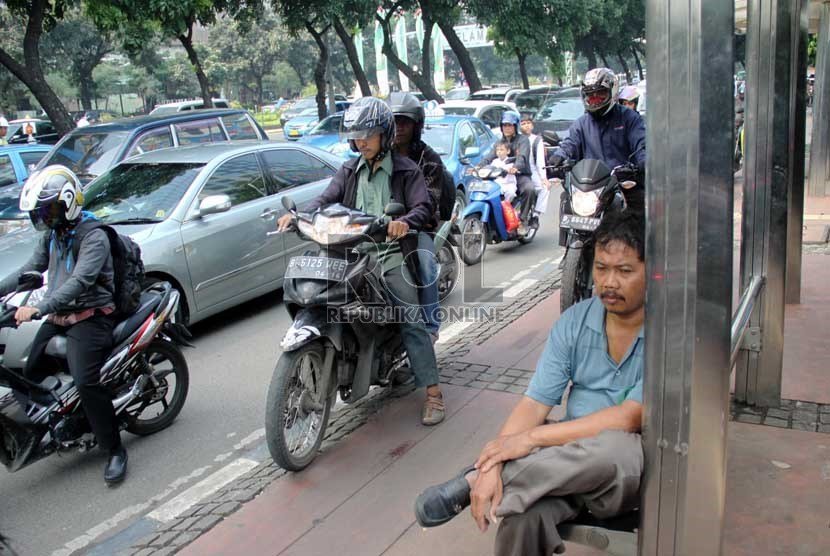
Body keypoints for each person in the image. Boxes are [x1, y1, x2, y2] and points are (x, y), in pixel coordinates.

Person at [414, 210, 645, 556]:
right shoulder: (575, 322)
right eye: (601, 268)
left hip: (624, 473)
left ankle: (475, 479)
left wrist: (529, 441)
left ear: (653, 274)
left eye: (624, 271)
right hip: (562, 465)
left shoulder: (669, 336)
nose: (609, 282)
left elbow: (627, 418)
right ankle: (490, 474)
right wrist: (497, 458)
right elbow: (535, 403)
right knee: (520, 518)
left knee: (615, 448)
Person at [277, 97, 447, 426]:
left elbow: (423, 206)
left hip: (390, 255)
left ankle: (434, 395)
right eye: (356, 136)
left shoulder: (405, 169)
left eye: (367, 135)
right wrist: (299, 215)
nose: (361, 142)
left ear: (383, 135)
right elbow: (326, 199)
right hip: (351, 253)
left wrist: (405, 222)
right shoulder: (349, 170)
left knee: (410, 319)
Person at [0, 166, 128, 485]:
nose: (43, 217)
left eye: (49, 209)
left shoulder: (94, 235)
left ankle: (114, 450)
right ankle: (62, 422)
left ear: (68, 202)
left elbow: (81, 281)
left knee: (86, 382)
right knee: (29, 373)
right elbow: (31, 269)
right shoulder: (54, 234)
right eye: (41, 212)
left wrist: (38, 308)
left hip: (92, 317)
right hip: (60, 317)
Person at [386, 91, 446, 342]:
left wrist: (406, 220)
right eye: (394, 122)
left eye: (405, 122)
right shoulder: (379, 153)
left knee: (425, 264)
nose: (399, 128)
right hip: (380, 225)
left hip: (418, 228)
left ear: (416, 125)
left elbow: (429, 202)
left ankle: (431, 326)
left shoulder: (428, 158)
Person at [550, 68, 646, 213]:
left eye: (600, 93)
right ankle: (567, 236)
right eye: (590, 94)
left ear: (612, 92)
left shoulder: (629, 118)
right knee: (567, 201)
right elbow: (570, 143)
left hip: (621, 183)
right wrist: (559, 156)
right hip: (589, 186)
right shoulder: (581, 123)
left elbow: (641, 144)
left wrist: (644, 162)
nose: (595, 98)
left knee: (639, 211)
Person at [477, 111, 534, 234]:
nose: (507, 128)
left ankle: (522, 221)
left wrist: (515, 167)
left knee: (529, 189)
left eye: (510, 125)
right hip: (501, 176)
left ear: (515, 126)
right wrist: (479, 166)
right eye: (504, 125)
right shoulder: (499, 142)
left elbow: (522, 157)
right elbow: (489, 157)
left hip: (519, 174)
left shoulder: (523, 140)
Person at [519, 112, 550, 224]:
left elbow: (540, 162)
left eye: (528, 123)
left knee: (544, 189)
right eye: (523, 123)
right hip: (516, 171)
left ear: (532, 125)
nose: (526, 126)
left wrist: (544, 178)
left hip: (532, 170)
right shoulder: (516, 139)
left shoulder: (537, 140)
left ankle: (535, 215)